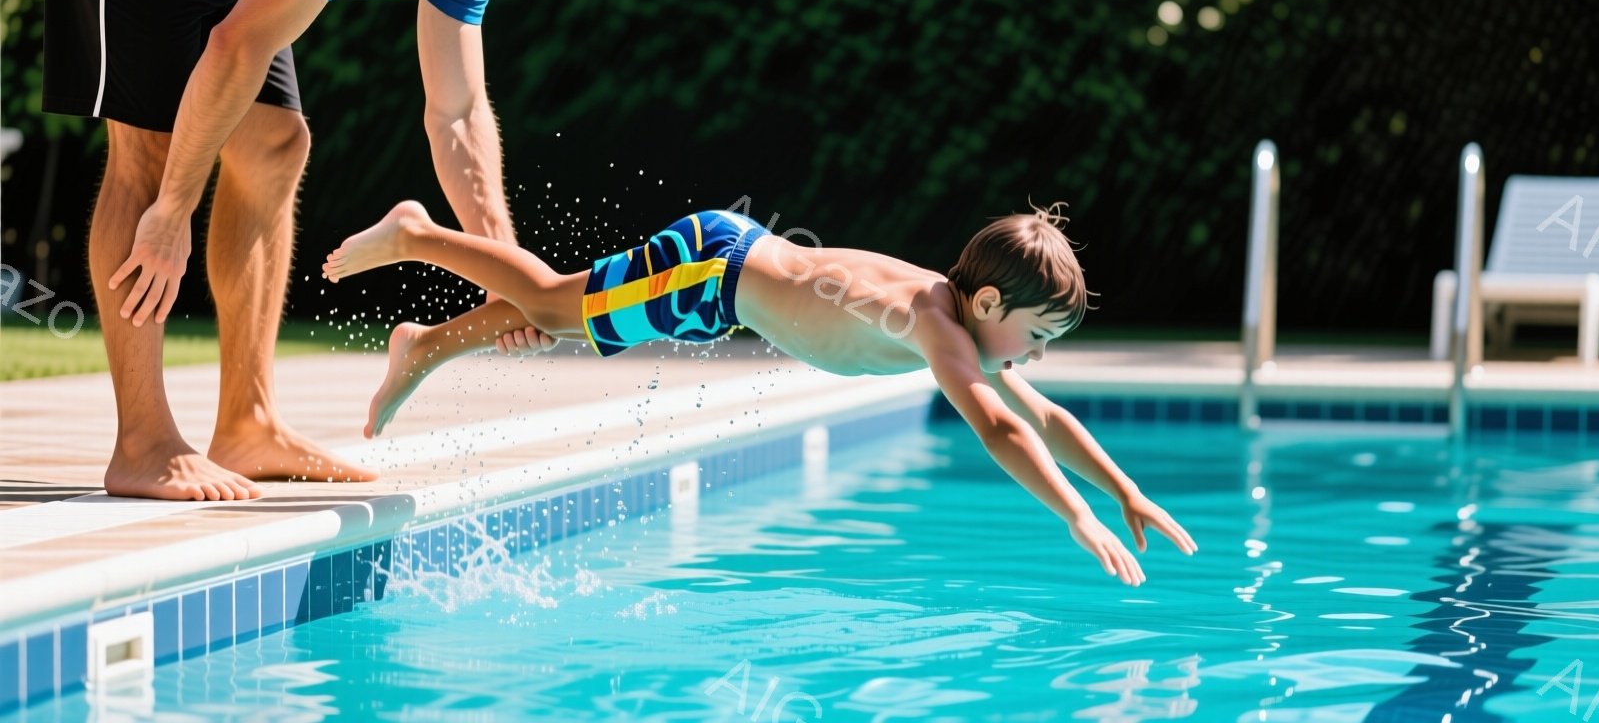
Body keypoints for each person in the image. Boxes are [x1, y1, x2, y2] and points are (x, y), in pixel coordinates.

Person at [41, 0, 635, 501]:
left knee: (276, 145)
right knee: (150, 154)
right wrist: (174, 211)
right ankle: (142, 444)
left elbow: (457, 113)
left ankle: (248, 425)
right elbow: (238, 42)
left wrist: (503, 268)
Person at [322, 201, 1198, 583]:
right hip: (715, 267)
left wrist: (1124, 492)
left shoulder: (963, 322)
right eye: (1037, 337)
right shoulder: (936, 325)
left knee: (560, 319)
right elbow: (1004, 431)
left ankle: (425, 345)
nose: (1034, 359)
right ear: (993, 302)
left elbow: (1044, 414)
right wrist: (1073, 517)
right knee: (553, 303)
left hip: (724, 284)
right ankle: (418, 234)